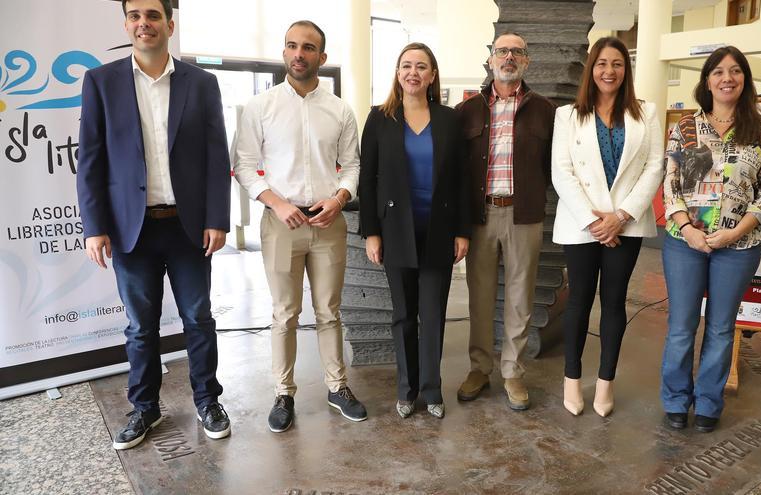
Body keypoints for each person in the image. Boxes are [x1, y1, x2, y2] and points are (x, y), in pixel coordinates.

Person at [77, 0, 231, 450]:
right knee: (140, 327)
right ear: (126, 23)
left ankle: (208, 401)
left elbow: (216, 155)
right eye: (135, 16)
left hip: (188, 227)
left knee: (198, 319)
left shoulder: (201, 83)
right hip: (132, 230)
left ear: (170, 23)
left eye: (153, 15)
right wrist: (94, 226)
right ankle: (144, 408)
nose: (143, 23)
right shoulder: (101, 82)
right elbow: (90, 160)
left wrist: (217, 219)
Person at [232, 20, 366, 432]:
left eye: (308, 48)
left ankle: (337, 386)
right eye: (292, 46)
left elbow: (353, 165)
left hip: (328, 222)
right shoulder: (261, 107)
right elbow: (243, 165)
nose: (299, 54)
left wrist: (340, 198)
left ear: (322, 58)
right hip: (280, 223)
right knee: (284, 314)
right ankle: (283, 393)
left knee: (329, 311)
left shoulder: (339, 109)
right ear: (284, 52)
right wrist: (276, 202)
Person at [660, 45, 761, 433]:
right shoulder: (684, 128)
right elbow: (670, 186)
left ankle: (709, 402)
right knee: (681, 326)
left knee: (720, 328)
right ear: (707, 80)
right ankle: (677, 398)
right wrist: (689, 229)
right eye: (718, 71)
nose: (726, 78)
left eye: (735, 71)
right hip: (685, 243)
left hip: (739, 246)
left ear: (744, 79)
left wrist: (736, 231)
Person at [551, 37, 664, 417]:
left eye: (617, 63)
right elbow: (561, 173)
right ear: (591, 69)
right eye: (602, 63)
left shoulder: (646, 113)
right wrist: (594, 220)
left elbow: (654, 167)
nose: (609, 71)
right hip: (583, 224)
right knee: (580, 300)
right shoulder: (567, 115)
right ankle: (571, 379)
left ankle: (605, 384)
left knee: (614, 302)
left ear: (625, 70)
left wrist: (621, 215)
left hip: (625, 225)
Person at [359, 42, 470, 419]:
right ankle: (406, 390)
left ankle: (432, 389)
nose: (413, 72)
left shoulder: (449, 119)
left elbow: (460, 181)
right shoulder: (379, 118)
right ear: (397, 72)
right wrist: (371, 233)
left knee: (433, 313)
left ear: (432, 75)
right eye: (406, 65)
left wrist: (462, 231)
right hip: (396, 232)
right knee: (404, 314)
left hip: (438, 229)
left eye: (421, 66)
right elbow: (368, 180)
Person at [455, 32, 556, 411]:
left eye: (517, 52)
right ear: (490, 59)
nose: (509, 57)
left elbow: (554, 168)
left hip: (524, 214)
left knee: (519, 295)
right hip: (480, 216)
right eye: (502, 51)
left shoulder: (545, 110)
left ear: (527, 62)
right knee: (480, 296)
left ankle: (512, 370)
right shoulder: (467, 111)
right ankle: (480, 368)